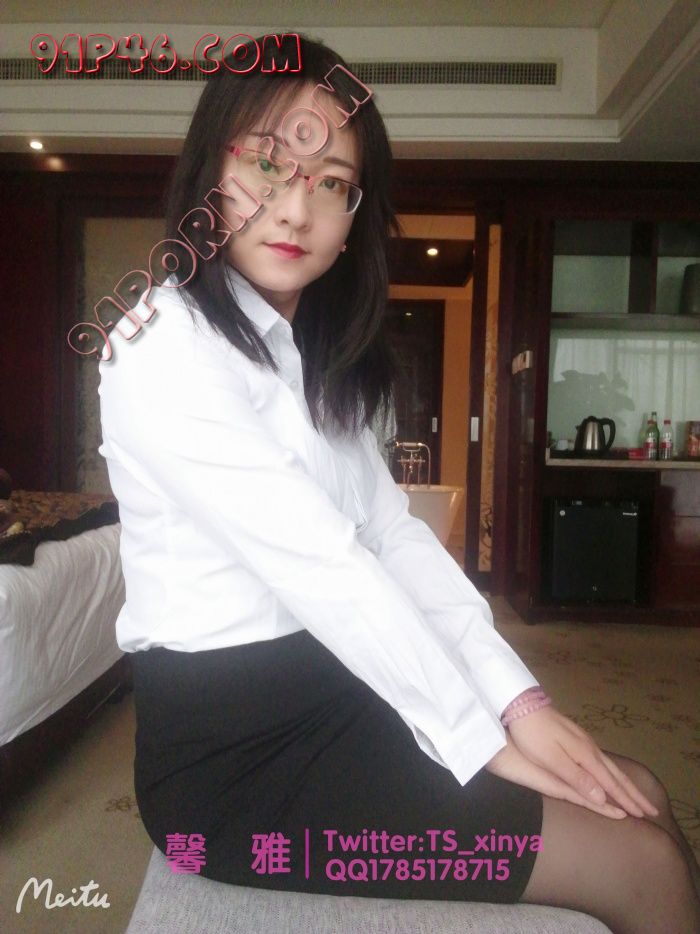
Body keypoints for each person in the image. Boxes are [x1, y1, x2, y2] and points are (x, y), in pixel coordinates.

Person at [98, 35, 700, 934]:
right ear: (211, 174)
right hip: (231, 764)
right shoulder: (160, 343)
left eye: (331, 182)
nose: (294, 207)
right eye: (267, 162)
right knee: (637, 859)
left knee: (641, 792)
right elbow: (326, 566)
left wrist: (520, 703)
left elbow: (393, 537)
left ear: (355, 217)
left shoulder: (314, 358)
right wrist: (483, 740)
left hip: (337, 686)